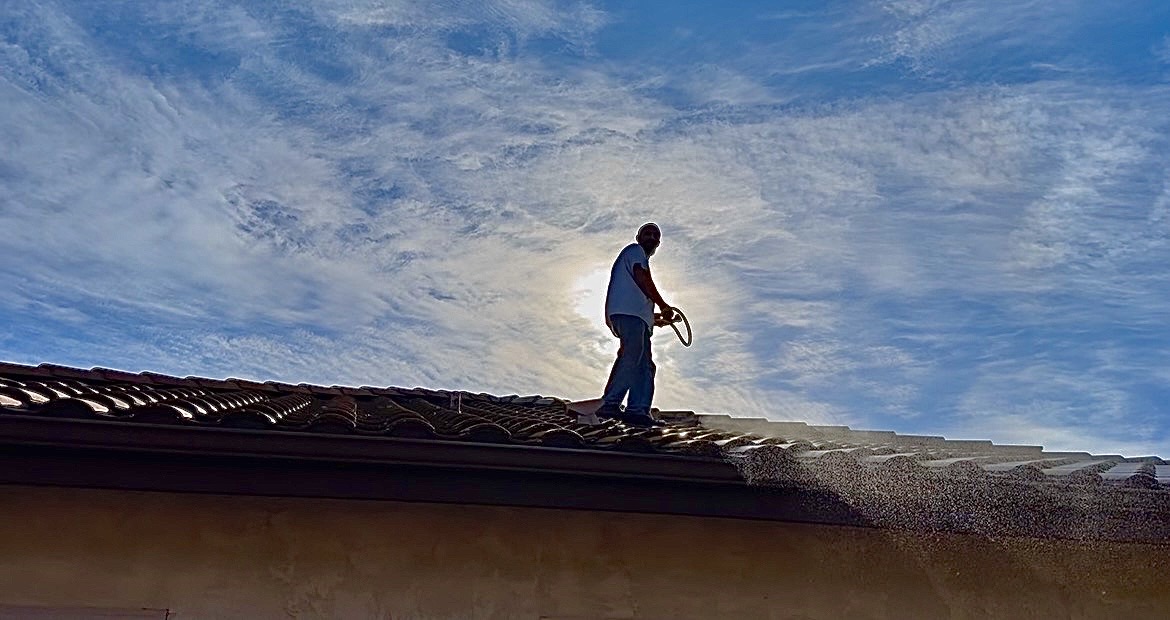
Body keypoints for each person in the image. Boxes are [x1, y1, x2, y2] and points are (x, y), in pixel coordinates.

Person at [597, 222, 675, 427]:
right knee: (633, 355)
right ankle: (610, 403)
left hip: (635, 318)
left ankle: (638, 410)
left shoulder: (636, 258)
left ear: (658, 243)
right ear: (638, 238)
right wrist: (663, 305)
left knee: (645, 365)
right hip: (628, 315)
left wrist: (658, 319)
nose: (651, 237)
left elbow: (640, 304)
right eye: (647, 233)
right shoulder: (635, 251)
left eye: (655, 235)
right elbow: (642, 276)